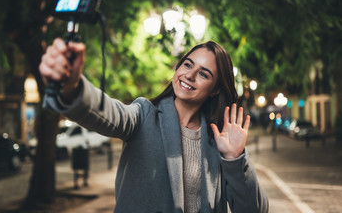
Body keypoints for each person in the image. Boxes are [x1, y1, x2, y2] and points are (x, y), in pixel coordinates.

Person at [39, 38, 269, 213]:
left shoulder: (218, 139)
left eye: (204, 74)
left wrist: (234, 158)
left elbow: (254, 209)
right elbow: (108, 112)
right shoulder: (144, 115)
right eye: (187, 65)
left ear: (216, 89)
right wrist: (71, 88)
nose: (189, 75)